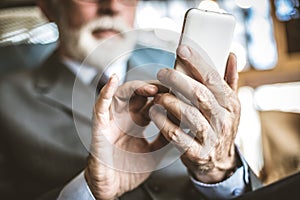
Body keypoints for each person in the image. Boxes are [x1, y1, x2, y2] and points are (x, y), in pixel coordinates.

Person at [0, 0, 261, 199]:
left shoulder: (182, 80)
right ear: (48, 8)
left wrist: (220, 171)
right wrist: (90, 189)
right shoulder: (6, 99)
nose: (111, 7)